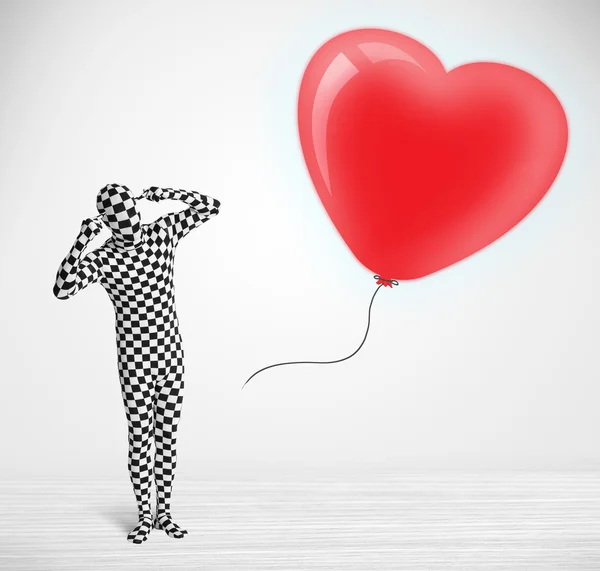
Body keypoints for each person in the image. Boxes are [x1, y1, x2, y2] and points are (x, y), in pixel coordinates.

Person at [53, 183, 221, 544]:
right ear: (108, 222)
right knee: (141, 436)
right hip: (135, 361)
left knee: (168, 437)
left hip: (170, 355)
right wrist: (82, 239)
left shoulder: (161, 232)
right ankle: (146, 514)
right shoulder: (102, 257)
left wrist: (167, 192)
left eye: (131, 214)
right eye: (118, 219)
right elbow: (62, 288)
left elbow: (212, 206)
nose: (128, 224)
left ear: (137, 210)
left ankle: (165, 512)